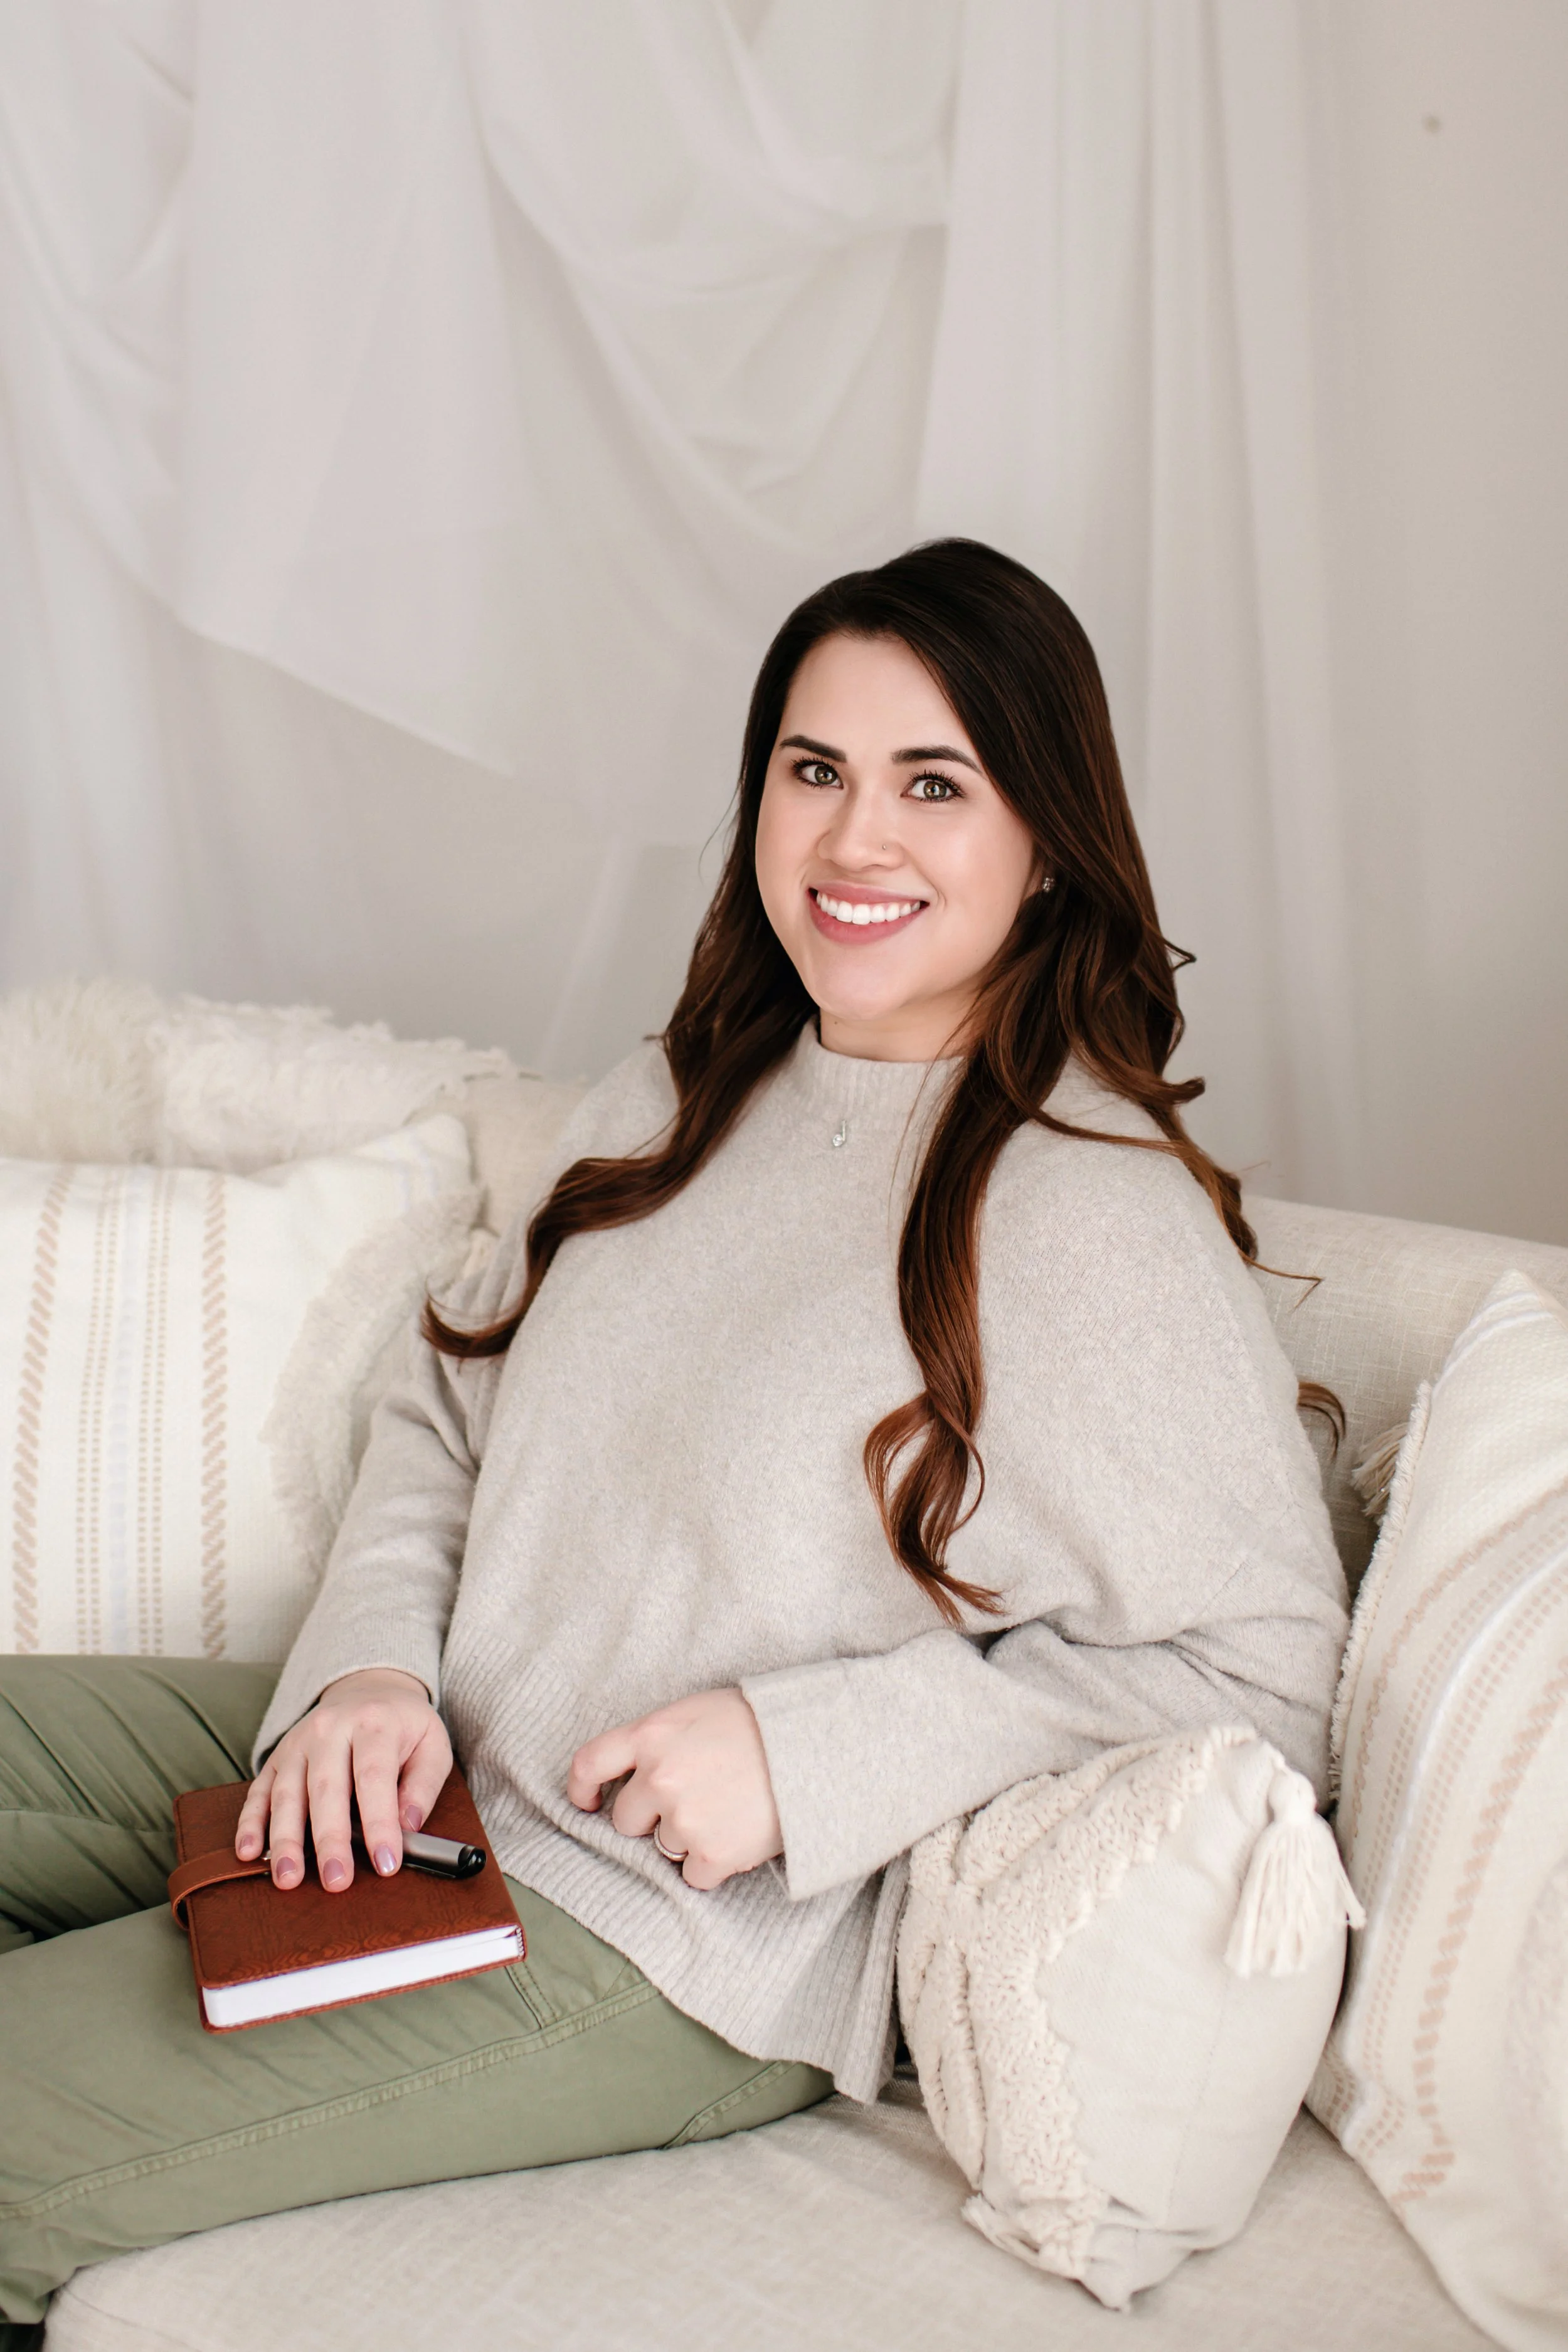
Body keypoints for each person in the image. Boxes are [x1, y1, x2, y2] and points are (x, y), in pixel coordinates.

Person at [0, 539, 1347, 2346]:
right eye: (813, 770)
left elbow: (1271, 1677)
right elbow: (442, 1397)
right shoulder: (687, 1087)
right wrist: (369, 1676)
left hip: (656, 1934)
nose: (852, 840)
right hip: (430, 1774)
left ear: (1048, 836)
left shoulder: (1089, 1212)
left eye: (931, 783)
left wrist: (812, 1753)